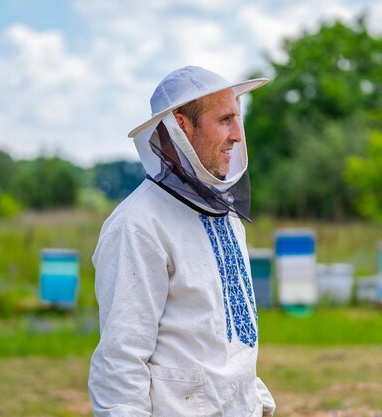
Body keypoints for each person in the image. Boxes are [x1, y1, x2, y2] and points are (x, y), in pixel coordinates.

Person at [88, 65, 276, 417]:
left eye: (238, 118)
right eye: (224, 120)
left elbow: (223, 339)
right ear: (181, 125)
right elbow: (120, 361)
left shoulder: (229, 218)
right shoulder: (138, 226)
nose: (237, 134)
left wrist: (255, 399)